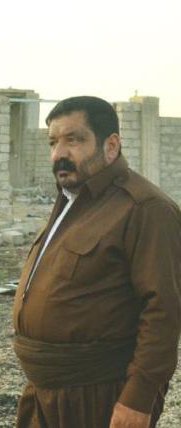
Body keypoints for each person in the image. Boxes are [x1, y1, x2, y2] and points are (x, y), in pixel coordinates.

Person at [12, 96, 181, 428]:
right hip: (47, 391)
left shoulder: (145, 208)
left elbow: (163, 311)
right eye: (53, 142)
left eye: (73, 140)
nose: (59, 153)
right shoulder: (72, 201)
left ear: (111, 146)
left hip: (99, 393)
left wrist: (138, 399)